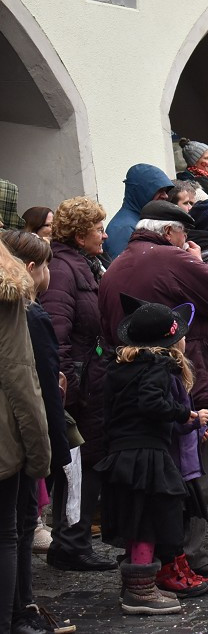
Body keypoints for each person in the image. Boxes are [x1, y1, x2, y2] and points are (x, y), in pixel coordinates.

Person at [98, 201, 208, 578]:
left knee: (158, 480)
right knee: (191, 470)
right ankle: (186, 557)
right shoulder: (173, 258)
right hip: (175, 378)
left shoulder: (117, 263)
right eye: (183, 234)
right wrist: (198, 258)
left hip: (127, 378)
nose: (186, 240)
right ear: (170, 232)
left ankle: (159, 557)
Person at [97, 295, 206, 615]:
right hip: (147, 454)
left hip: (121, 453)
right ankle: (140, 592)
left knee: (134, 521)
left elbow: (111, 415)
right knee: (146, 523)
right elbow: (151, 404)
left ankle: (135, 585)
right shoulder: (159, 366)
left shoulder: (119, 368)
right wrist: (181, 414)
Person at [40, 197, 116, 573]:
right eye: (98, 229)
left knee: (86, 463)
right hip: (80, 388)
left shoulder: (83, 264)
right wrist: (72, 387)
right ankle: (71, 544)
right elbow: (58, 334)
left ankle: (74, 540)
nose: (104, 235)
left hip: (91, 381)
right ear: (80, 233)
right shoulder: (64, 269)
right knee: (78, 464)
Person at [0, 235, 56, 633]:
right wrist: (40, 451)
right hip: (4, 439)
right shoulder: (12, 296)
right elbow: (20, 375)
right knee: (7, 531)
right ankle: (12, 617)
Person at [104, 164, 174, 261]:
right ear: (142, 191)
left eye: (166, 191)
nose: (165, 196)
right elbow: (125, 270)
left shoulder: (141, 221)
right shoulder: (124, 228)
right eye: (160, 190)